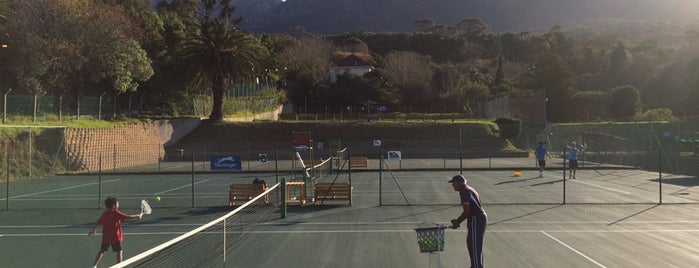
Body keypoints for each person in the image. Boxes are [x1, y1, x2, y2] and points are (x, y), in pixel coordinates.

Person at [88, 197, 143, 267]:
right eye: (117, 204)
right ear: (114, 205)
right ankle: (120, 265)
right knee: (119, 251)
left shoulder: (105, 213)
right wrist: (138, 215)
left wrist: (93, 230)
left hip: (106, 237)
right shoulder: (116, 212)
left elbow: (98, 222)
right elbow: (127, 217)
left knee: (102, 251)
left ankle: (94, 266)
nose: (118, 205)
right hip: (115, 237)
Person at [449, 175, 487, 268]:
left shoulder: (465, 191)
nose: (452, 185)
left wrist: (457, 222)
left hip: (476, 219)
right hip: (477, 218)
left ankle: (476, 266)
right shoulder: (467, 189)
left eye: (453, 183)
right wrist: (457, 222)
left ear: (459, 182)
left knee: (474, 245)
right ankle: (476, 265)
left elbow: (467, 212)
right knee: (472, 244)